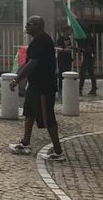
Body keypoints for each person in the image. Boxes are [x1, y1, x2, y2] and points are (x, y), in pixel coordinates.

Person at [9, 15, 64, 161]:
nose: (26, 27)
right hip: (35, 86)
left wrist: (17, 79)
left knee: (48, 118)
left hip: (43, 87)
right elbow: (28, 63)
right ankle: (25, 142)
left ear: (38, 26)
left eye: (29, 24)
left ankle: (58, 151)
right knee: (30, 113)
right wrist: (19, 74)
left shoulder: (41, 41)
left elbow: (32, 64)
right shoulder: (38, 41)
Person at [55, 26, 73, 97]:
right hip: (62, 59)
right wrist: (65, 50)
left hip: (68, 59)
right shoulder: (60, 39)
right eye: (69, 30)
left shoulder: (68, 39)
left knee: (68, 73)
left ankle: (68, 87)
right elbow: (58, 49)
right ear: (66, 31)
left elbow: (69, 47)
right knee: (61, 74)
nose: (70, 32)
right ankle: (60, 89)